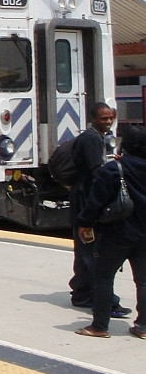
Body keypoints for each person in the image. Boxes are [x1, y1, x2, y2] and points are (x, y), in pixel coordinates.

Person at [74, 123, 146, 339]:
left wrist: (84, 223)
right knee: (143, 281)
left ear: (126, 144)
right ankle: (142, 326)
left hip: (117, 233)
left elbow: (96, 202)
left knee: (103, 276)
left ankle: (100, 326)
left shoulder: (114, 169)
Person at [68, 102, 130, 318]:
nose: (109, 122)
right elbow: (97, 173)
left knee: (85, 252)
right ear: (93, 118)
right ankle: (107, 301)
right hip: (86, 202)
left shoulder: (95, 138)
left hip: (83, 201)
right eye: (104, 118)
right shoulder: (92, 139)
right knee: (93, 254)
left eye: (111, 118)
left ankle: (82, 293)